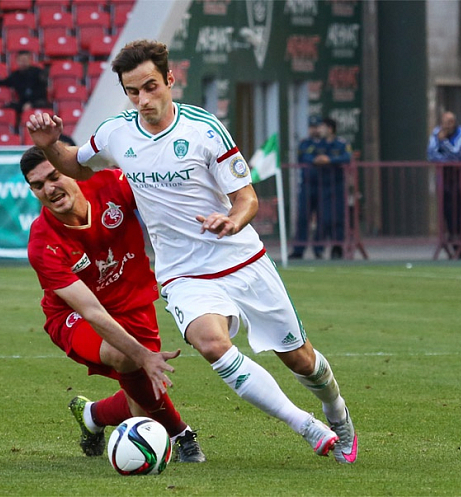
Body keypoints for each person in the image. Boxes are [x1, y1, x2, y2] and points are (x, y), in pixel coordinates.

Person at [26, 39, 358, 464]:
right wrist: (51, 145)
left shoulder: (204, 129)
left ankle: (336, 412)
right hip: (183, 272)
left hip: (242, 260)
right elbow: (75, 163)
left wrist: (232, 220)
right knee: (211, 344)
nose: (143, 100)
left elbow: (247, 198)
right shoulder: (115, 133)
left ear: (170, 79)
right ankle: (306, 425)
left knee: (301, 360)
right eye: (132, 92)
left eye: (150, 87)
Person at [20, 146, 205, 462]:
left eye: (54, 176)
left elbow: (162, 199)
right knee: (127, 356)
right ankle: (181, 434)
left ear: (70, 170)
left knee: (139, 406)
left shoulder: (110, 183)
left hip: (133, 300)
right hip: (73, 316)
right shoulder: (42, 243)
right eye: (38, 185)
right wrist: (143, 355)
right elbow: (91, 311)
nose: (49, 189)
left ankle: (92, 415)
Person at [427, 111, 461, 258]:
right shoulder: (436, 133)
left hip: (459, 177)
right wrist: (446, 158)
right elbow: (431, 155)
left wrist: (443, 143)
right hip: (444, 177)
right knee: (447, 212)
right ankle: (454, 243)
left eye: (450, 122)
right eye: (445, 122)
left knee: (459, 211)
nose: (448, 125)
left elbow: (459, 154)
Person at [312, 117, 351, 260]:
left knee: (338, 217)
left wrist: (329, 160)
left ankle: (337, 248)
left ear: (330, 129)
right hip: (322, 185)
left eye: (322, 127)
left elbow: (347, 157)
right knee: (323, 218)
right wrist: (316, 160)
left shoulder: (341, 144)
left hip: (337, 185)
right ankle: (318, 248)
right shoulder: (318, 144)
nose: (319, 129)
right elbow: (307, 156)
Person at [289, 116, 325, 260]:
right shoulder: (305, 143)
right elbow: (304, 158)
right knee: (303, 217)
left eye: (317, 127)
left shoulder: (325, 143)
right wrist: (318, 160)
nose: (315, 130)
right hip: (307, 184)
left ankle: (319, 249)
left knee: (322, 218)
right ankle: (299, 249)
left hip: (323, 185)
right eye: (312, 127)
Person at [0, 51, 51, 119]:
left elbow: (42, 91)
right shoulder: (15, 75)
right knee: (7, 108)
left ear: (30, 60)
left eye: (25, 60)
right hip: (22, 103)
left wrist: (31, 104)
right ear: (17, 61)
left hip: (38, 101)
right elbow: (4, 82)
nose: (23, 62)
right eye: (21, 60)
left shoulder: (38, 72)